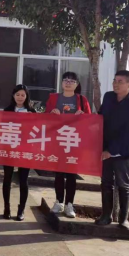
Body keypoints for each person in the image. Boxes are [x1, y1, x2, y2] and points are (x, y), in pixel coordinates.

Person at [95, 70, 129, 230]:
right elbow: (100, 118)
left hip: (122, 151)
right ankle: (106, 216)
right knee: (106, 183)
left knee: (123, 184)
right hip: (105, 148)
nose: (115, 84)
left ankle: (123, 219)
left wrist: (111, 150)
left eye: (120, 81)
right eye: (114, 80)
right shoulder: (109, 97)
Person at [46, 72, 92, 218]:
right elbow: (44, 118)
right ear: (61, 83)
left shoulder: (82, 100)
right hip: (58, 140)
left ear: (76, 84)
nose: (68, 82)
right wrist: (51, 113)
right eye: (65, 80)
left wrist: (82, 116)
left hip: (74, 141)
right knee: (59, 173)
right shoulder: (53, 98)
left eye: (71, 81)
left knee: (72, 174)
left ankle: (69, 204)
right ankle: (59, 202)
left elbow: (90, 120)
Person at [3, 85, 36, 221]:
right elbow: (2, 128)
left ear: (26, 96)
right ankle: (6, 208)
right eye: (18, 94)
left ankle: (21, 210)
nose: (20, 97)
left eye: (23, 95)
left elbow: (37, 130)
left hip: (25, 149)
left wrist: (31, 119)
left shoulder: (31, 111)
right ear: (13, 95)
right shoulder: (7, 110)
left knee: (23, 180)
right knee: (7, 178)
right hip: (9, 148)